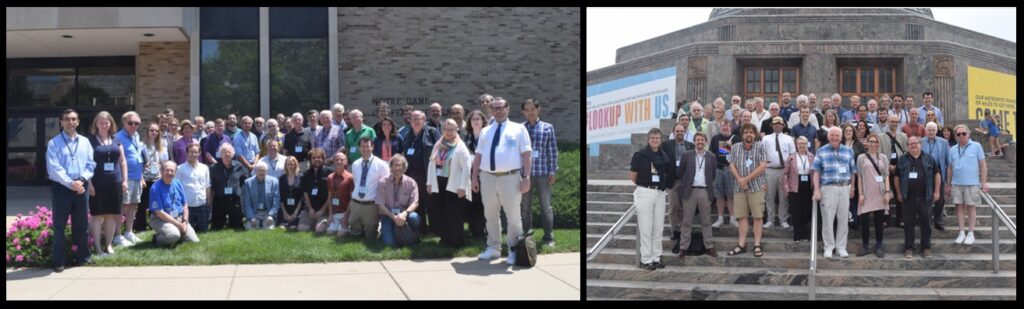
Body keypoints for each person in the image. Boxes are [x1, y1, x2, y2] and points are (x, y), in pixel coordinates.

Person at [472, 97, 533, 266]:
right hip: (487, 177)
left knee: (513, 216)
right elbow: (478, 156)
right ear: (491, 110)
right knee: (490, 214)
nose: (498, 110)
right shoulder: (485, 131)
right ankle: (493, 247)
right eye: (495, 108)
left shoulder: (519, 129)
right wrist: (474, 177)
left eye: (501, 107)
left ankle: (514, 249)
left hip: (510, 177)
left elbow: (527, 155)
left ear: (508, 109)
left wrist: (526, 177)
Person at [625, 128, 671, 270]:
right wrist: (645, 185)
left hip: (660, 193)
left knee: (658, 228)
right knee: (646, 228)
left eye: (657, 138)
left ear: (661, 140)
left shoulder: (664, 156)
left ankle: (656, 258)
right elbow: (633, 176)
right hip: (645, 191)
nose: (655, 140)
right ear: (648, 139)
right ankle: (646, 259)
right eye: (652, 138)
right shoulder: (640, 155)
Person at [427, 119, 473, 247]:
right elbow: (431, 164)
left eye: (451, 129)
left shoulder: (460, 146)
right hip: (439, 181)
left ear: (457, 129)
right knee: (441, 211)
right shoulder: (438, 144)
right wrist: (429, 183)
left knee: (454, 213)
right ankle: (445, 238)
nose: (448, 132)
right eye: (446, 129)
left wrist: (462, 187)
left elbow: (466, 168)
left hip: (454, 184)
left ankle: (457, 241)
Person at [812, 127, 857, 259]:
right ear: (828, 137)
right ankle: (829, 247)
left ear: (841, 136)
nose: (834, 138)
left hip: (844, 187)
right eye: (832, 135)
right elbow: (816, 172)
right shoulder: (821, 151)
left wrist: (852, 188)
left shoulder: (848, 151)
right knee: (828, 219)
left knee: (843, 219)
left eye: (837, 135)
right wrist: (816, 189)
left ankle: (841, 248)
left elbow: (852, 172)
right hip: (828, 188)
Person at [894, 136, 942, 259]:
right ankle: (909, 248)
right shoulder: (902, 159)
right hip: (907, 197)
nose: (913, 145)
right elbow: (897, 177)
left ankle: (926, 248)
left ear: (920, 144)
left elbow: (937, 174)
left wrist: (936, 192)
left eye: (916, 143)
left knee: (926, 223)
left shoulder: (929, 158)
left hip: (925, 196)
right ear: (907, 146)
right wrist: (899, 193)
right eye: (911, 144)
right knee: (908, 224)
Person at [726, 123, 769, 258]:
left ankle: (757, 245)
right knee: (742, 217)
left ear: (755, 134)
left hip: (756, 187)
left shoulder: (761, 146)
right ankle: (741, 244)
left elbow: (763, 166)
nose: (748, 135)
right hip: (739, 188)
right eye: (746, 132)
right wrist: (740, 180)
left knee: (757, 216)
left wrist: (746, 179)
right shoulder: (735, 147)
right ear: (742, 134)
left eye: (751, 132)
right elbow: (731, 165)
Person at [87, 111, 127, 255]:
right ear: (96, 124)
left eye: (107, 122)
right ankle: (98, 247)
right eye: (101, 122)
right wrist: (89, 184)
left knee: (111, 215)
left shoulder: (116, 139)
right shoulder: (90, 141)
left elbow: (122, 161)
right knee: (97, 215)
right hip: (97, 183)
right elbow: (86, 164)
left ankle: (108, 246)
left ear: (111, 124)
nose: (104, 125)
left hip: (114, 182)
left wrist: (125, 180)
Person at [519, 99, 558, 246]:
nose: (530, 112)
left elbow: (552, 151)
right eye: (527, 109)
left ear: (538, 109)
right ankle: (527, 236)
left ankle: (549, 237)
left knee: (546, 207)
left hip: (542, 173)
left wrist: (553, 171)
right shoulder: (520, 128)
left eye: (532, 109)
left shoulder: (548, 127)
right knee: (525, 207)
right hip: (525, 175)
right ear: (523, 112)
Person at [676, 132, 718, 259]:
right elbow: (681, 172)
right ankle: (683, 247)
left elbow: (713, 174)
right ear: (694, 142)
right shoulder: (686, 155)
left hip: (705, 191)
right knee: (686, 221)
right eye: (697, 140)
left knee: (706, 220)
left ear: (706, 141)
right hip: (690, 191)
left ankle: (709, 246)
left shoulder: (711, 156)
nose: (700, 142)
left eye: (702, 140)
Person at [947, 124, 988, 246]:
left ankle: (971, 233)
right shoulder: (953, 149)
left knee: (971, 207)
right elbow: (950, 168)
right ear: (955, 136)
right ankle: (961, 232)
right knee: (959, 207)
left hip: (972, 183)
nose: (961, 136)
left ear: (968, 134)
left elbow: (983, 165)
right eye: (958, 134)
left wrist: (984, 182)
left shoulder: (976, 146)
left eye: (963, 133)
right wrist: (948, 184)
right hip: (956, 183)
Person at [401, 110, 440, 235]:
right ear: (410, 121)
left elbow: (440, 150)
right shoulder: (407, 134)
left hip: (427, 175)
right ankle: (422, 230)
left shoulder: (432, 132)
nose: (416, 121)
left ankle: (435, 230)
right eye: (414, 119)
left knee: (432, 203)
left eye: (419, 119)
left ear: (424, 120)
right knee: (417, 204)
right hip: (411, 176)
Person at [148, 160, 200, 246]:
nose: (169, 172)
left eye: (172, 170)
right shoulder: (155, 188)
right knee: (174, 236)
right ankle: (157, 238)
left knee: (194, 241)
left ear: (175, 172)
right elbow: (159, 213)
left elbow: (185, 205)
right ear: (161, 171)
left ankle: (176, 236)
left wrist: (185, 222)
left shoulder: (178, 183)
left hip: (178, 218)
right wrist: (178, 225)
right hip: (160, 219)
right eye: (166, 170)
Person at [855, 134, 891, 257]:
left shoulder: (883, 158)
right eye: (871, 141)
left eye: (876, 142)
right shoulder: (861, 158)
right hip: (866, 193)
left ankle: (879, 245)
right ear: (867, 143)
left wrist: (887, 192)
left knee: (878, 221)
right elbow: (859, 176)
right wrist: (860, 193)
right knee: (864, 221)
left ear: (878, 144)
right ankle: (865, 245)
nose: (873, 144)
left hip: (879, 193)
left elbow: (886, 175)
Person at [350, 137, 391, 240]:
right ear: (359, 148)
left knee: (370, 236)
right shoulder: (355, 164)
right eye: (362, 146)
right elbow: (356, 182)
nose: (365, 149)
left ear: (372, 147)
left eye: (367, 146)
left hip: (371, 205)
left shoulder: (382, 165)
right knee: (355, 233)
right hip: (356, 203)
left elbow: (386, 186)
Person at [115, 111, 145, 247]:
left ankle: (128, 232)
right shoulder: (117, 137)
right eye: (131, 123)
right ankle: (117, 235)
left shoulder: (136, 136)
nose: (134, 126)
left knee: (133, 205)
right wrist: (122, 180)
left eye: (137, 123)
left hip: (137, 177)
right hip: (125, 178)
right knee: (122, 206)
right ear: (124, 123)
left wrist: (142, 176)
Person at [377, 155, 422, 247]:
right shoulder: (382, 182)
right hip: (388, 215)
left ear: (404, 167)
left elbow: (415, 202)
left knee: (415, 218)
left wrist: (404, 214)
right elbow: (380, 205)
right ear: (390, 167)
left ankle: (413, 235)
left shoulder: (411, 183)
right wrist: (394, 218)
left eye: (400, 165)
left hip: (405, 213)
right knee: (389, 244)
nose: (397, 168)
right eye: (395, 165)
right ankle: (388, 231)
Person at [761, 117, 796, 229]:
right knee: (769, 196)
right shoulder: (765, 138)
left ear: (783, 126)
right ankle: (770, 219)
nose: (777, 126)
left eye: (779, 124)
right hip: (769, 170)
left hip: (784, 171)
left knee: (783, 197)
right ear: (772, 126)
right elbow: (761, 155)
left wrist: (790, 173)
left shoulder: (789, 139)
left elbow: (792, 156)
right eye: (775, 124)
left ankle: (783, 219)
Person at [665, 122, 695, 252]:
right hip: (673, 181)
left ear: (685, 133)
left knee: (686, 207)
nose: (679, 133)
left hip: (686, 182)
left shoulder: (690, 146)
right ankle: (674, 230)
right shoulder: (666, 145)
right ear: (673, 133)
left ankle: (684, 230)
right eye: (677, 131)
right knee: (673, 207)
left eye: (681, 131)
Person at [782, 136, 815, 242]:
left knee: (806, 211)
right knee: (796, 212)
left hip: (808, 186)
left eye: (804, 143)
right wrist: (786, 188)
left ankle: (805, 234)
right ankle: (797, 235)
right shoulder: (791, 158)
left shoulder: (811, 157)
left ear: (807, 144)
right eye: (800, 143)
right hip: (795, 186)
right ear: (796, 145)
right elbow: (785, 174)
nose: (802, 145)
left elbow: (815, 173)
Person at [138, 122, 169, 232]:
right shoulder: (141, 146)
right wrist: (141, 178)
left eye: (156, 131)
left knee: (155, 204)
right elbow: (138, 164)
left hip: (157, 179)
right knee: (142, 204)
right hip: (145, 179)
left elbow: (163, 164)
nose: (154, 132)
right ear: (147, 132)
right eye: (152, 130)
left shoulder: (161, 147)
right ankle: (140, 227)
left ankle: (154, 225)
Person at [879, 115, 909, 227]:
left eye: (896, 122)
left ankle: (900, 219)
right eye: (892, 121)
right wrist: (888, 166)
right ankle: (885, 219)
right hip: (886, 169)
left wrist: (898, 166)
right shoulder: (881, 136)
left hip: (900, 169)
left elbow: (906, 153)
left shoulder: (903, 136)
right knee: (885, 193)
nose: (894, 123)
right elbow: (879, 154)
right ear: (887, 122)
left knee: (899, 194)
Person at [710, 118, 740, 228]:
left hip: (731, 169)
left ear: (731, 127)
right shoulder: (715, 138)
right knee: (719, 195)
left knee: (731, 194)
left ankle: (733, 218)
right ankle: (720, 218)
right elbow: (712, 153)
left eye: (727, 126)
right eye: (723, 126)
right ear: (720, 127)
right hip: (718, 169)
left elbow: (739, 154)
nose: (725, 127)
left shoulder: (736, 139)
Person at [462, 110, 487, 238]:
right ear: (469, 122)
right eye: (473, 119)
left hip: (486, 174)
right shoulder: (466, 138)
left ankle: (488, 229)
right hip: (470, 174)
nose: (476, 121)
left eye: (478, 119)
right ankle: (475, 229)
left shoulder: (487, 136)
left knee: (486, 202)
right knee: (472, 202)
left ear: (483, 121)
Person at [210, 144, 247, 230]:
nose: (226, 154)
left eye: (229, 152)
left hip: (234, 200)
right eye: (223, 152)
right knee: (217, 226)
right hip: (219, 200)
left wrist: (238, 189)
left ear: (233, 154)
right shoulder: (213, 168)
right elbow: (211, 185)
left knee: (237, 225)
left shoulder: (239, 166)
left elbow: (244, 179)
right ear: (220, 154)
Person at [175, 144, 211, 233]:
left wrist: (208, 203)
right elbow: (176, 188)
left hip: (202, 204)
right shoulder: (180, 169)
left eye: (195, 152)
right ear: (187, 153)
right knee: (187, 232)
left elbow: (207, 186)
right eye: (191, 152)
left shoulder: (205, 168)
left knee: (203, 231)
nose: (193, 154)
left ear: (199, 153)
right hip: (188, 206)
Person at [922, 122, 950, 231]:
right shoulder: (921, 141)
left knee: (941, 199)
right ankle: (927, 221)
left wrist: (947, 178)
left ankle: (938, 221)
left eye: (933, 130)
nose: (931, 132)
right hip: (924, 174)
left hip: (939, 172)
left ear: (936, 131)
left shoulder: (943, 142)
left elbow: (948, 160)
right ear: (926, 131)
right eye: (929, 130)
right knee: (926, 198)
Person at [299, 148, 333, 232]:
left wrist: (322, 210)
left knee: (319, 230)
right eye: (313, 158)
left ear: (323, 159)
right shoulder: (306, 174)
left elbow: (331, 194)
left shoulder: (330, 173)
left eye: (319, 157)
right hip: (311, 209)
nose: (316, 159)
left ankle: (318, 222)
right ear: (310, 160)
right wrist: (310, 208)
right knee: (301, 229)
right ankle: (312, 221)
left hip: (324, 210)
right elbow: (305, 193)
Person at [242, 161, 281, 230]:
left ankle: (267, 221)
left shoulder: (274, 182)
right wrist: (251, 217)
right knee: (250, 228)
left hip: (267, 212)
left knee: (269, 229)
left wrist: (271, 215)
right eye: (259, 170)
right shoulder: (248, 183)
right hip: (255, 212)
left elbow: (276, 202)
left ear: (267, 171)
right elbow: (247, 203)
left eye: (263, 170)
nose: (261, 173)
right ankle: (253, 221)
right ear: (255, 171)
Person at [325, 152, 354, 236]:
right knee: (329, 232)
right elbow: (330, 197)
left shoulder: (350, 178)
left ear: (346, 162)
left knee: (340, 234)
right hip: (335, 213)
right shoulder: (330, 177)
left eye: (341, 160)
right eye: (336, 159)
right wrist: (330, 214)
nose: (339, 161)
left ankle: (348, 226)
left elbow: (352, 199)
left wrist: (346, 217)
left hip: (346, 213)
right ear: (333, 162)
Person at [279, 156, 304, 230]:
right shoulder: (281, 178)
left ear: (295, 165)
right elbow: (280, 197)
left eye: (292, 164)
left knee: (293, 228)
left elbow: (302, 198)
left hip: (297, 208)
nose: (290, 166)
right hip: (285, 209)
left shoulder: (301, 177)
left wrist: (295, 213)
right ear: (285, 166)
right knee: (281, 228)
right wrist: (284, 213)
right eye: (288, 164)